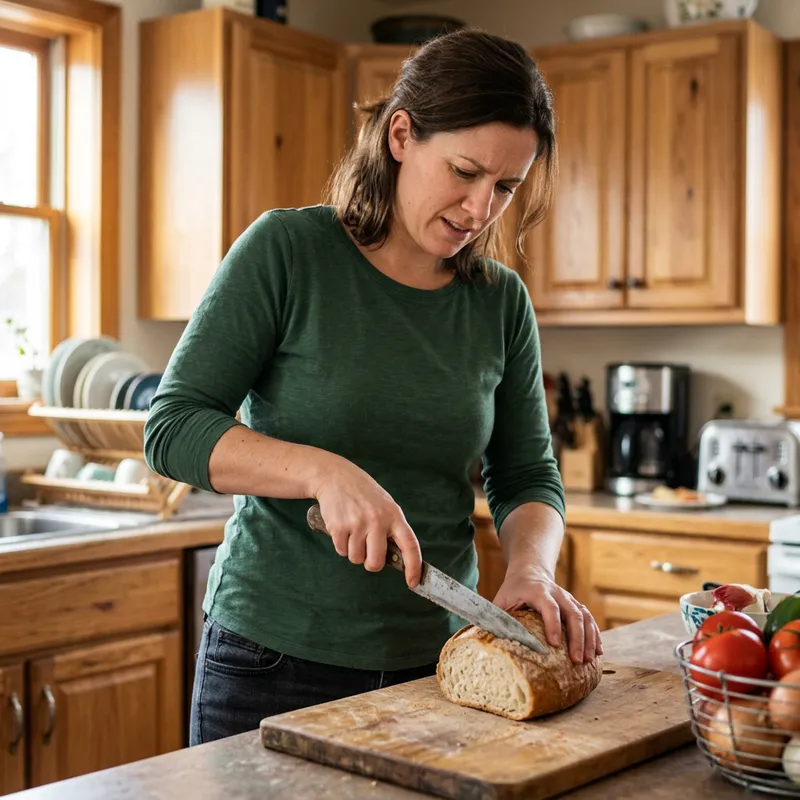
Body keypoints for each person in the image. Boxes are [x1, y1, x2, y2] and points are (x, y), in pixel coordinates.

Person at [144, 26, 602, 747]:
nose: (481, 210)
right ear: (399, 136)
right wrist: (321, 472)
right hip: (271, 660)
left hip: (442, 666)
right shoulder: (288, 252)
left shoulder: (500, 302)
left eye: (505, 187)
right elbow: (171, 428)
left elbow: (527, 473)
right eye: (464, 171)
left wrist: (531, 567)